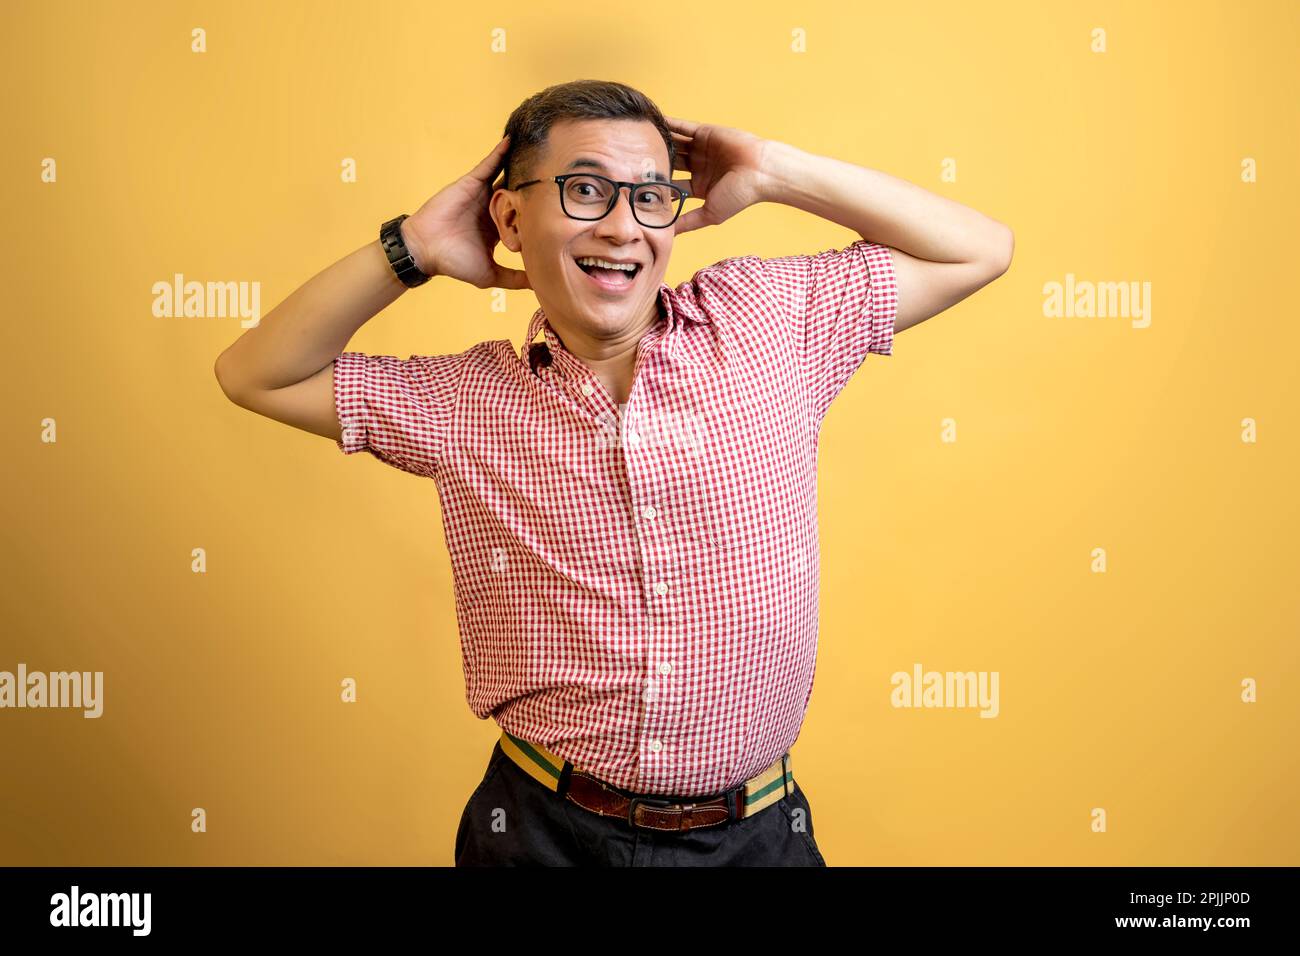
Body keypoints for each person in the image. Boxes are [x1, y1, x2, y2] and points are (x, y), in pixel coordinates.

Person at [214, 79, 1013, 866]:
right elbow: (256, 373)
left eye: (651, 195)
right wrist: (413, 250)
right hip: (541, 836)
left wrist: (774, 171)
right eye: (586, 190)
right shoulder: (461, 401)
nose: (624, 226)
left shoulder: (771, 320)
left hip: (757, 841)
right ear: (511, 218)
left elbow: (981, 247)